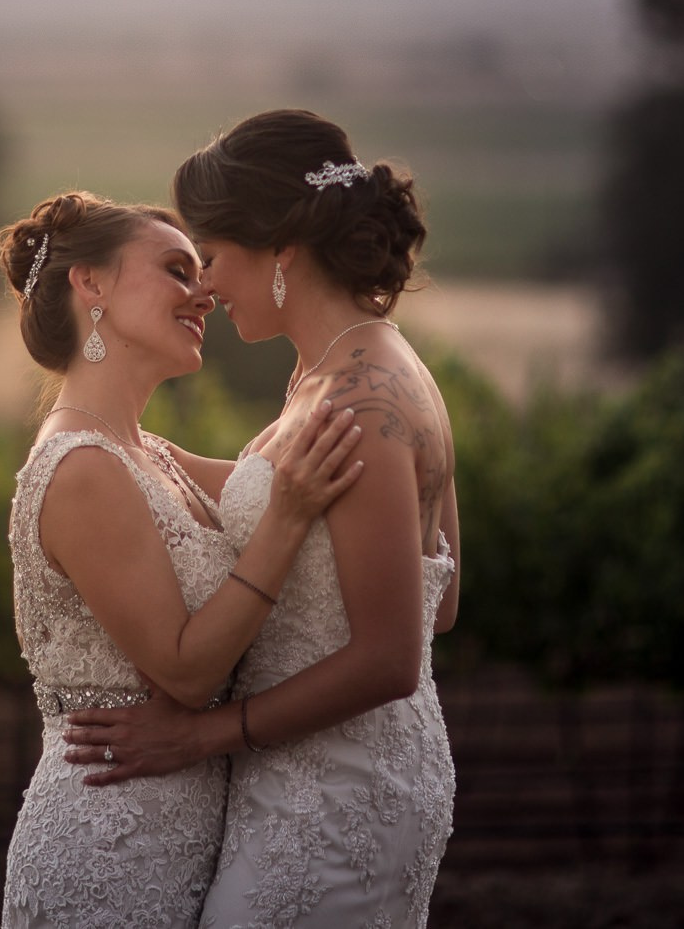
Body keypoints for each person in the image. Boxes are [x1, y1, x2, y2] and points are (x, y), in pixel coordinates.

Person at [62, 110, 460, 928]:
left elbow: (393, 657)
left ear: (280, 246)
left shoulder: (362, 400)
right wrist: (115, 447)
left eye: (210, 256)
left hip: (337, 797)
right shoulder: (341, 368)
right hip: (312, 777)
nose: (205, 287)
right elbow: (440, 597)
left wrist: (200, 736)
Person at [0, 190, 366, 929]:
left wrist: (374, 386)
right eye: (175, 269)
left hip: (190, 842)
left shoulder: (152, 456)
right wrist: (285, 520)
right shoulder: (81, 467)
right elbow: (187, 671)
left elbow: (309, 486)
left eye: (202, 272)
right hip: (109, 850)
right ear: (91, 284)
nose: (203, 293)